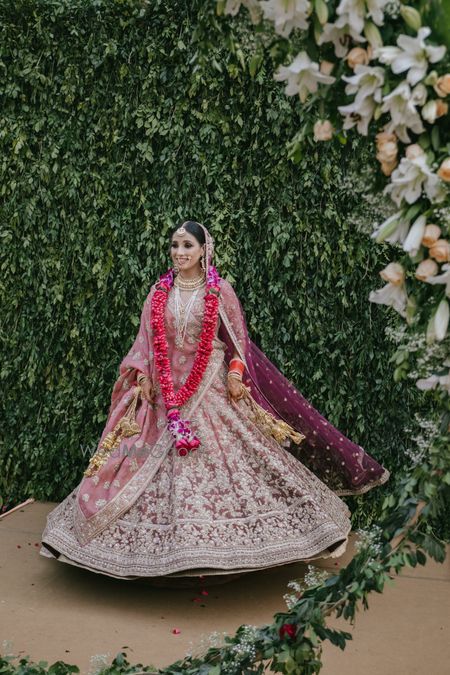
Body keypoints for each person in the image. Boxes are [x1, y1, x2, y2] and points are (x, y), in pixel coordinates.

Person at [40, 220, 389, 583]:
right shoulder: (157, 293)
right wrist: (143, 377)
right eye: (175, 245)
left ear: (204, 250)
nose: (179, 253)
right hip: (163, 393)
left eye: (187, 245)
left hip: (211, 386)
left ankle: (232, 545)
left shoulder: (220, 291)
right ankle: (161, 551)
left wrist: (236, 375)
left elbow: (238, 344)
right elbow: (143, 344)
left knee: (235, 459)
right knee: (141, 464)